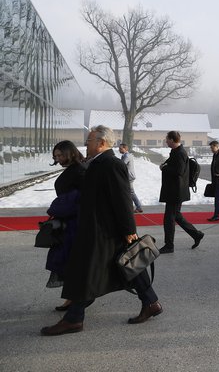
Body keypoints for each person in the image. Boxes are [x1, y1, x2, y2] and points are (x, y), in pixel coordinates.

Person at [40, 126, 161, 336]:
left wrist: (129, 230)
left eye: (89, 140)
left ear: (102, 142)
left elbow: (122, 199)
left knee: (90, 271)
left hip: (106, 230)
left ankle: (74, 319)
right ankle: (151, 303)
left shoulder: (111, 164)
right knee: (125, 265)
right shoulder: (98, 163)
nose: (86, 144)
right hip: (99, 227)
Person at [45, 140, 86, 311]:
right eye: (56, 156)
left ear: (70, 152)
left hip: (74, 223)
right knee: (67, 262)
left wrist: (61, 207)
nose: (58, 158)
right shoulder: (75, 170)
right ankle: (72, 298)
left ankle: (76, 300)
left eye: (61, 155)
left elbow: (83, 198)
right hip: (68, 222)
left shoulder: (79, 171)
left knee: (70, 262)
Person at [158, 130, 204, 253]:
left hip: (176, 192)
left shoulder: (180, 153)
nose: (166, 141)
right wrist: (165, 166)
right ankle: (196, 234)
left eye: (167, 139)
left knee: (169, 219)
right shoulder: (176, 152)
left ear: (172, 140)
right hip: (175, 191)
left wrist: (164, 168)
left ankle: (169, 246)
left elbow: (179, 171)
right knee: (176, 216)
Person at [119, 143, 143, 213]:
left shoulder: (127, 156)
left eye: (121, 148)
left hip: (129, 177)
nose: (119, 150)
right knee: (128, 192)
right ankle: (132, 207)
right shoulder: (124, 155)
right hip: (127, 176)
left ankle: (138, 207)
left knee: (131, 192)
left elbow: (122, 164)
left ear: (125, 149)